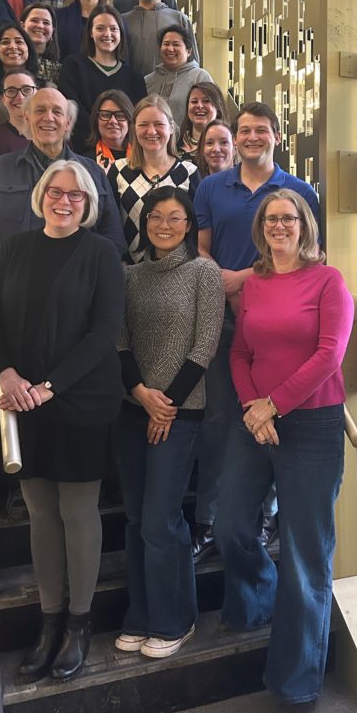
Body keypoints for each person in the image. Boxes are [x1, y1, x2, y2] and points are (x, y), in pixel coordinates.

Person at [0, 160, 125, 683]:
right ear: (41, 194)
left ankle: (79, 624)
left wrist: (48, 387)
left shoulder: (102, 254)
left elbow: (104, 332)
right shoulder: (15, 249)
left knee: (78, 510)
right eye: (56, 192)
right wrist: (8, 376)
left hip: (79, 398)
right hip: (21, 398)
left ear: (89, 205)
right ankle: (48, 622)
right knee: (40, 512)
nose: (64, 201)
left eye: (76, 196)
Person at [215, 190, 353, 703]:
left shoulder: (328, 281)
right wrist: (255, 407)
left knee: (304, 553)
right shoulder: (255, 285)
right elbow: (240, 351)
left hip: (311, 426)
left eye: (287, 219)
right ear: (260, 227)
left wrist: (275, 404)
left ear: (304, 225)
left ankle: (296, 682)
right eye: (270, 219)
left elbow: (329, 355)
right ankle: (259, 599)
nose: (278, 226)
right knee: (229, 524)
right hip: (255, 422)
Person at [190, 103, 321, 563]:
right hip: (221, 320)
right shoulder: (209, 187)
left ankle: (265, 516)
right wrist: (220, 283)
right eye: (243, 130)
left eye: (260, 130)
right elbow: (201, 249)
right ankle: (209, 520)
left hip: (278, 326)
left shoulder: (298, 191)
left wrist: (241, 279)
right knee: (223, 421)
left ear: (277, 137)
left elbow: (311, 256)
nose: (250, 137)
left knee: (274, 420)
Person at [113, 186, 224, 659]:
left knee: (161, 519)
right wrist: (141, 393)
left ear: (188, 225)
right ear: (144, 222)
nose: (164, 225)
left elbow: (204, 347)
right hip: (131, 408)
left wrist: (166, 405)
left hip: (180, 413)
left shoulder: (205, 273)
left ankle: (175, 618)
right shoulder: (130, 276)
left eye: (175, 218)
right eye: (156, 216)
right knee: (137, 517)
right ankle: (141, 614)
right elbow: (119, 342)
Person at [0, 87, 125, 282]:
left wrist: (96, 276)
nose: (49, 118)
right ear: (27, 118)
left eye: (57, 112)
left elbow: (112, 233)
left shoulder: (94, 173)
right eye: (40, 110)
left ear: (68, 122)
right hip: (15, 287)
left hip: (78, 289)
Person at [111, 95, 200, 264]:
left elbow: (196, 229)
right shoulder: (118, 170)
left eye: (159, 124)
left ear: (171, 127)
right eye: (143, 125)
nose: (151, 131)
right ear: (134, 129)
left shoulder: (189, 172)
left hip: (178, 270)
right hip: (130, 271)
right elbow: (111, 226)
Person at [58, 5, 145, 152]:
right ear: (90, 33)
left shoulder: (134, 77)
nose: (107, 34)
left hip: (126, 155)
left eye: (113, 29)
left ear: (121, 33)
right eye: (100, 28)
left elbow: (138, 118)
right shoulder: (73, 66)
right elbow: (73, 110)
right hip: (84, 151)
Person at [121, 0, 199, 77]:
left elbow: (193, 64)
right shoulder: (122, 21)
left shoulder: (179, 19)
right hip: (133, 90)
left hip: (173, 91)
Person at [145, 26, 213, 127]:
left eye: (176, 44)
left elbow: (212, 112)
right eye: (166, 44)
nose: (170, 49)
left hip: (188, 140)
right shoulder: (148, 80)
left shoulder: (200, 77)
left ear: (189, 51)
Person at [84, 90, 132, 173]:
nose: (113, 121)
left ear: (129, 121)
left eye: (120, 115)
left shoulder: (145, 159)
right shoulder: (85, 164)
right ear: (96, 120)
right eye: (105, 115)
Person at [178, 83, 227, 162]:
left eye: (206, 101)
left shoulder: (227, 147)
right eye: (194, 101)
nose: (199, 106)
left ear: (218, 108)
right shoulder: (174, 144)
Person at [21, 3, 62, 83]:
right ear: (22, 26)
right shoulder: (11, 61)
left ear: (52, 30)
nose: (40, 26)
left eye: (46, 23)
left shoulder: (60, 71)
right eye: (34, 20)